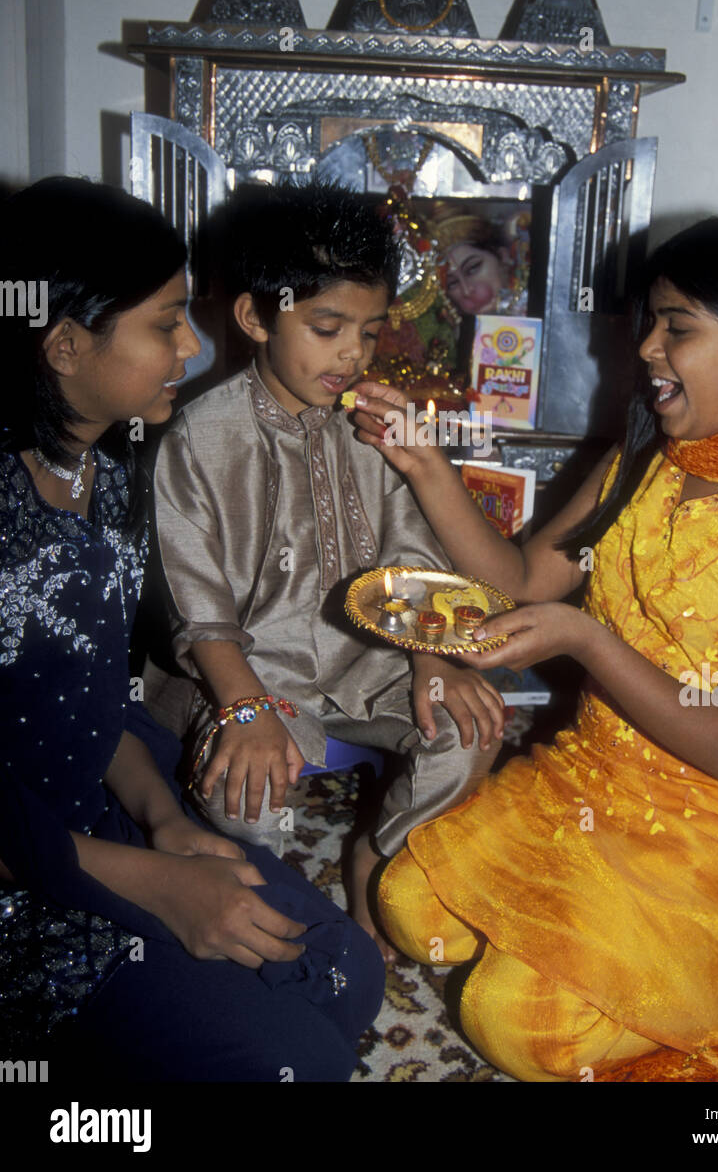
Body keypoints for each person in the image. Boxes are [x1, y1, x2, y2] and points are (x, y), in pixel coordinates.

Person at [352, 209, 718, 1081]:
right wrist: (425, 466)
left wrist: (586, 643)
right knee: (409, 906)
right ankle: (600, 948)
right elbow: (520, 581)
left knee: (514, 1024)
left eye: (678, 329)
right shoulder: (646, 456)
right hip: (596, 777)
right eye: (650, 325)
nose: (645, 351)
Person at [0, 177, 384, 1081]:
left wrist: (165, 821)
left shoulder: (114, 474)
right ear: (64, 344)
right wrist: (152, 885)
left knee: (344, 975)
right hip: (22, 871)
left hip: (99, 820)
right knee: (290, 1063)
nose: (192, 344)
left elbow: (92, 706)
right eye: (166, 322)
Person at [150, 182, 506, 958]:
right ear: (254, 317)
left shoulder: (372, 427)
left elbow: (412, 551)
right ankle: (268, 886)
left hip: (370, 661)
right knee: (244, 797)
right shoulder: (197, 440)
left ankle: (373, 855)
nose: (353, 354)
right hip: (256, 676)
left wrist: (427, 660)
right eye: (326, 327)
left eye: (370, 333)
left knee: (471, 727)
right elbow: (197, 605)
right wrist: (245, 711)